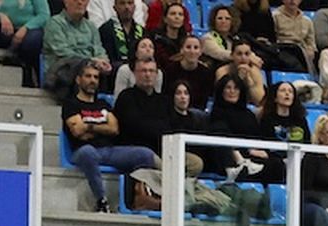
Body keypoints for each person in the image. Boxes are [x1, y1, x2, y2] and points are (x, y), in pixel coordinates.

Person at [63, 63, 158, 214]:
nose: (92, 80)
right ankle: (102, 201)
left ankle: (137, 198)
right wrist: (101, 127)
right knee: (88, 152)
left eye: (95, 77)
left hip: (108, 151)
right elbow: (77, 131)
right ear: (78, 80)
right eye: (88, 76)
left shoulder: (104, 104)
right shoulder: (71, 104)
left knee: (144, 154)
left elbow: (114, 129)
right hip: (81, 151)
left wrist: (89, 127)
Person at [44, 0, 112, 99]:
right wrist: (92, 61)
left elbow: (99, 49)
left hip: (90, 69)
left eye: (84, 0)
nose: (80, 2)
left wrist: (104, 62)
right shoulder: (55, 23)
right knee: (80, 65)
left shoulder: (91, 26)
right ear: (66, 2)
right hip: (62, 72)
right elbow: (63, 52)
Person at [0, 0, 48, 75]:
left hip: (27, 32)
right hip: (3, 30)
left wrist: (26, 28)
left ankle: (25, 68)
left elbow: (44, 15)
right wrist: (0, 16)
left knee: (34, 38)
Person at [162, 34, 214, 110]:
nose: (192, 51)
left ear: (200, 52)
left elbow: (204, 100)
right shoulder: (170, 70)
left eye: (196, 48)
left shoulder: (206, 73)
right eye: (188, 47)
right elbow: (166, 96)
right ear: (181, 50)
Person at [104, 0, 146, 74]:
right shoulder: (106, 29)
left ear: (134, 7)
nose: (127, 7)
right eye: (122, 3)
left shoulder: (142, 31)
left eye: (130, 3)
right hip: (115, 72)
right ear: (114, 8)